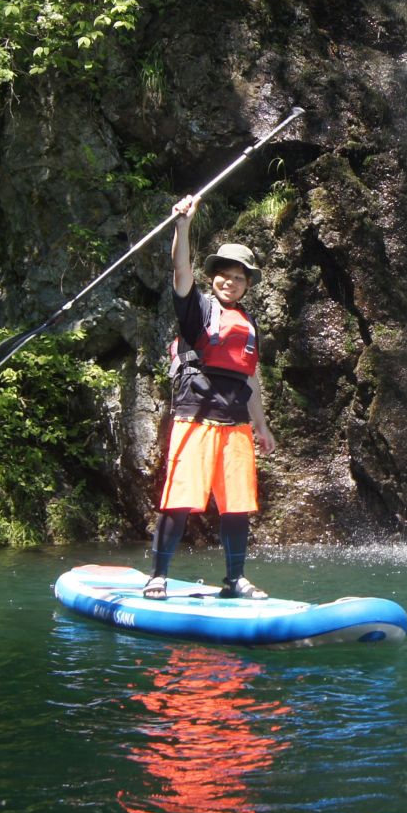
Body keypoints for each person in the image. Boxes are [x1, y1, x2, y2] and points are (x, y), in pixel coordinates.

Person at [143, 193, 277, 600]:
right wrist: (182, 227)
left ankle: (235, 580)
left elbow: (250, 378)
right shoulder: (198, 309)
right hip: (195, 418)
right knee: (179, 500)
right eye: (224, 274)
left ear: (247, 285)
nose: (229, 282)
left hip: (235, 424)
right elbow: (180, 270)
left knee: (237, 505)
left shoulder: (249, 324)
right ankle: (158, 576)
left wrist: (262, 426)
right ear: (214, 276)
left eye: (238, 277)